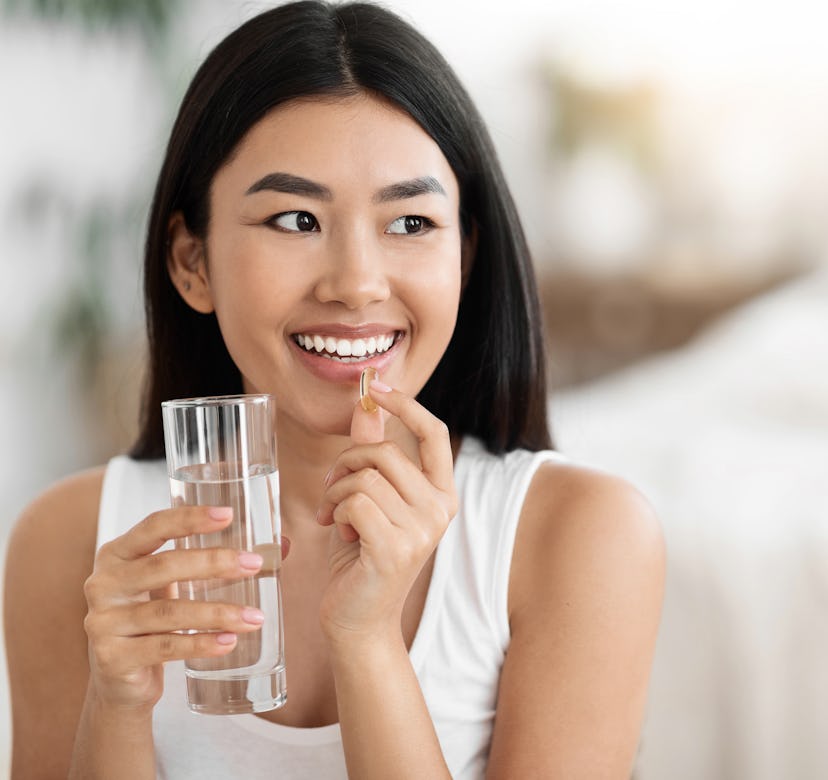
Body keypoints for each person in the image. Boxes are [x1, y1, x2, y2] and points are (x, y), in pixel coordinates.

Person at [4, 1, 665, 777]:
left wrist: (368, 642)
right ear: (193, 263)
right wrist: (115, 707)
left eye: (411, 224)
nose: (356, 284)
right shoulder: (72, 543)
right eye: (294, 219)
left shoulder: (578, 536)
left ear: (466, 255)